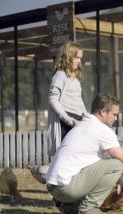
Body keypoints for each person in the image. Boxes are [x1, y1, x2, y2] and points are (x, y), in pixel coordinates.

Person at [46, 93, 123, 214]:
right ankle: (88, 210)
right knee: (116, 165)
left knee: (104, 163)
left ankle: (71, 206)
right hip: (67, 188)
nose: (116, 118)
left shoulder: (82, 125)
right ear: (103, 111)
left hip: (54, 187)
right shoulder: (102, 129)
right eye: (114, 114)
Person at [29, 41, 88, 184]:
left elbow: (78, 100)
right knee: (64, 158)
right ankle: (43, 175)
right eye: (77, 57)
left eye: (80, 58)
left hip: (77, 120)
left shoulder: (75, 78)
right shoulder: (60, 75)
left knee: (75, 157)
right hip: (65, 122)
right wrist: (67, 119)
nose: (80, 61)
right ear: (68, 57)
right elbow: (53, 99)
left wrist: (87, 117)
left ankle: (65, 186)